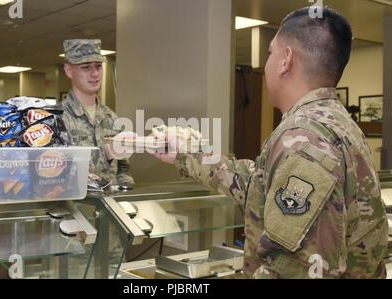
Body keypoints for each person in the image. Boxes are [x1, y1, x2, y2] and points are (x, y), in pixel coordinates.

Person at [151, 7, 389, 278]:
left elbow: (293, 269)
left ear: (286, 60)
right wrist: (186, 154)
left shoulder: (303, 143)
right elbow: (258, 185)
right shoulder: (335, 122)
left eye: (270, 53)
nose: (266, 65)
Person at [62, 39, 134, 188]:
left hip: (108, 206)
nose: (95, 74)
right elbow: (56, 173)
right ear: (69, 70)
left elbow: (123, 169)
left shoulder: (111, 117)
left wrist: (125, 192)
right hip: (75, 205)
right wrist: (106, 156)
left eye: (98, 66)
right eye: (86, 67)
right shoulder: (58, 119)